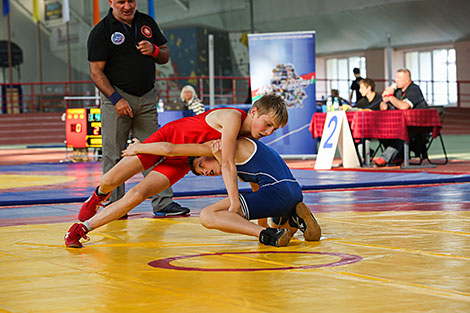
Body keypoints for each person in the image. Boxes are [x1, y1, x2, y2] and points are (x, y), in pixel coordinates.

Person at [64, 94, 288, 248]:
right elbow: (227, 164)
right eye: (267, 124)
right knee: (111, 179)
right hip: (166, 140)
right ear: (255, 111)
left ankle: (83, 228)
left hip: (184, 159)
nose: (269, 132)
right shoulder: (232, 118)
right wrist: (234, 204)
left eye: (274, 129)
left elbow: (250, 176)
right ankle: (97, 196)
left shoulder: (248, 139)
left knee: (138, 194)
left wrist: (262, 220)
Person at [87, 0, 188, 216]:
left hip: (147, 97)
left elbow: (164, 54)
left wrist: (153, 51)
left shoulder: (146, 22)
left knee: (155, 151)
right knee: (114, 154)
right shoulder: (101, 31)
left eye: (130, 1)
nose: (127, 6)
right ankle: (115, 205)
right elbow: (96, 72)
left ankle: (163, 202)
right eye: (121, 1)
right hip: (116, 99)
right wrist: (115, 99)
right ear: (111, 2)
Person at [189, 138, 321, 247]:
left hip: (276, 193)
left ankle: (267, 235)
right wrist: (262, 224)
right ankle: (294, 220)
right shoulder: (249, 147)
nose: (205, 172)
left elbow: (228, 169)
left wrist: (262, 228)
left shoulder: (233, 150)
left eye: (201, 165)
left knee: (207, 215)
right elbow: (256, 188)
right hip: (294, 192)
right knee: (280, 229)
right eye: (202, 174)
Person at [373, 69, 427, 167]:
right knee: (381, 131)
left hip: (417, 126)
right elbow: (384, 108)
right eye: (396, 78)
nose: (396, 80)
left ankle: (385, 158)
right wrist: (386, 97)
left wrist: (390, 97)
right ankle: (397, 156)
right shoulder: (397, 91)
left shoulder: (414, 89)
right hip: (400, 124)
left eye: (399, 78)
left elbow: (404, 106)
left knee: (400, 133)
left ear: (407, 80)